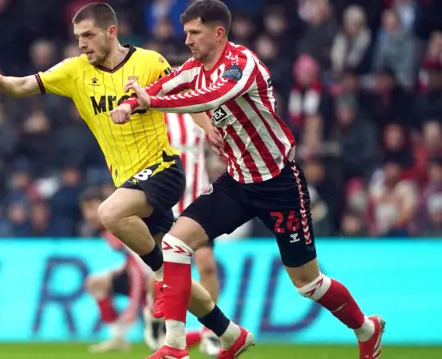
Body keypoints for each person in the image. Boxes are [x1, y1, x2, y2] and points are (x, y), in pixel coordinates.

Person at [111, 1, 385, 359]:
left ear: (218, 33)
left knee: (308, 285)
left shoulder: (241, 66)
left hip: (279, 185)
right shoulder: (196, 67)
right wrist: (133, 103)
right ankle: (175, 346)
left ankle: (367, 328)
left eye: (195, 32)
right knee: (175, 244)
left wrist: (152, 103)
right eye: (186, 32)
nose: (188, 39)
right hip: (237, 182)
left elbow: (207, 98)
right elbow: (165, 84)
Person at [0, 1, 231, 349]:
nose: (82, 43)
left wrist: (209, 128)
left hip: (164, 169)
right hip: (131, 183)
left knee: (109, 213)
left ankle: (159, 279)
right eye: (78, 37)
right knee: (178, 270)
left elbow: (183, 98)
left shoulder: (149, 62)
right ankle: (230, 333)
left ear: (111, 31)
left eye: (89, 35)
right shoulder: (74, 71)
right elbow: (20, 87)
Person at [143, 112, 223, 356]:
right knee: (163, 270)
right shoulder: (154, 115)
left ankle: (211, 330)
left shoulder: (201, 111)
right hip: (166, 202)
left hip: (199, 202)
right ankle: (153, 312)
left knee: (207, 265)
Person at [79, 188, 148, 353]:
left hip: (155, 276)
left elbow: (139, 267)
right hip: (143, 272)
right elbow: (134, 261)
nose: (89, 215)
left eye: (92, 207)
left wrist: (133, 306)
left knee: (157, 328)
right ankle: (117, 337)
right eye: (85, 210)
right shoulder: (106, 230)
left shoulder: (117, 225)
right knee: (95, 283)